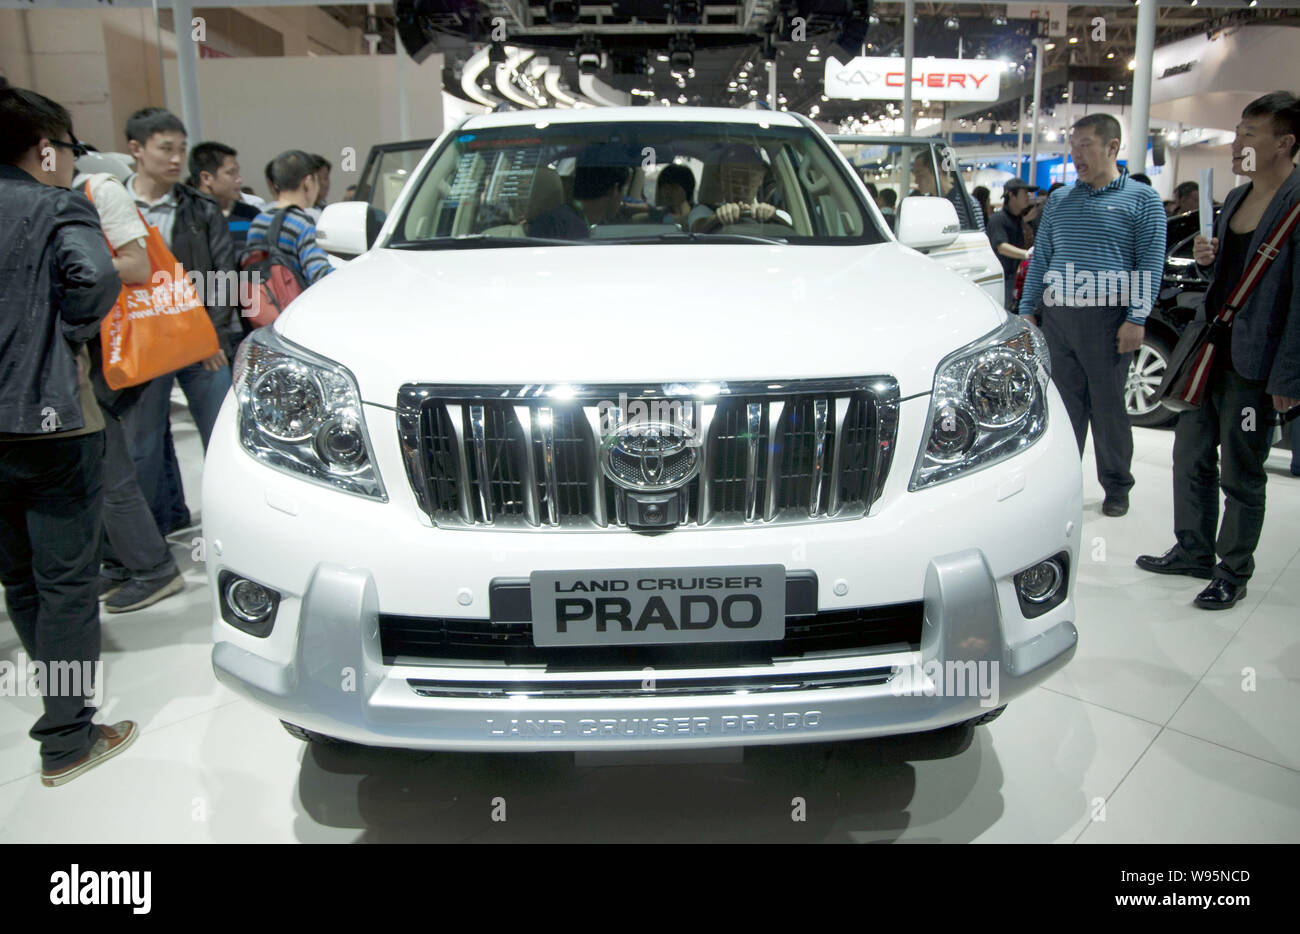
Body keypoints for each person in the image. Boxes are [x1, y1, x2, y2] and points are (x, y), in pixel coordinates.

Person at [0, 87, 138, 785]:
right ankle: (67, 736)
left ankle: (58, 708)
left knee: (19, 577)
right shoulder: (55, 205)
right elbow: (95, 278)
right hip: (50, 419)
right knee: (66, 583)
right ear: (47, 147)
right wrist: (70, 334)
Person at [1137, 91, 1300, 609]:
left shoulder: (1295, 205)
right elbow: (1226, 280)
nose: (1236, 144)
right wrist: (1208, 260)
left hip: (1256, 365)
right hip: (1209, 353)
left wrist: (1287, 379)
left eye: (1248, 135)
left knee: (1242, 471)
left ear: (1285, 143)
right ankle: (1193, 550)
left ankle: (1233, 569)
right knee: (1190, 455)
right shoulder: (1235, 198)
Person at [1018, 113, 1167, 518]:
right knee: (1065, 410)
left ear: (1112, 147)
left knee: (1108, 409)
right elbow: (1042, 259)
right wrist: (1027, 311)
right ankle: (1064, 485)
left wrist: (1136, 318)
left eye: (1085, 144)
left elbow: (1148, 264)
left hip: (1108, 320)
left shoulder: (1141, 199)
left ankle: (1117, 486)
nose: (1076, 154)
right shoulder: (1062, 200)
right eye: (1072, 144)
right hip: (1058, 318)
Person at [73, 166, 186, 614]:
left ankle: (152, 567)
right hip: (94, 347)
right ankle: (122, 561)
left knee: (108, 463)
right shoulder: (71, 192)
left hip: (106, 351)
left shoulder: (94, 189)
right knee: (97, 466)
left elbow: (137, 264)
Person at [121, 107, 238, 534]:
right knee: (144, 445)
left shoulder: (201, 208)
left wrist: (215, 340)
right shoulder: (113, 205)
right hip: (144, 345)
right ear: (136, 149)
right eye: (165, 149)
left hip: (199, 344)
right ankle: (158, 531)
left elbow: (226, 277)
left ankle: (234, 526)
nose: (175, 159)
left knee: (224, 438)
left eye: (181, 150)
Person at [245, 149, 336, 286]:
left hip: (263, 303)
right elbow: (318, 273)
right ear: (308, 182)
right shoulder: (302, 224)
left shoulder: (258, 221)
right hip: (294, 303)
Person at [528, 146, 630, 239]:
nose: (622, 199)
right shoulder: (556, 227)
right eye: (624, 191)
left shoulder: (558, 222)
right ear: (614, 190)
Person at [690, 143, 789, 233]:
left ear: (761, 178)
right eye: (732, 180)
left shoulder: (775, 214)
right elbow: (696, 229)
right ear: (719, 179)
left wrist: (771, 217)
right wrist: (717, 218)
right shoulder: (704, 211)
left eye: (747, 179)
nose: (740, 188)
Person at [189, 141, 260, 255]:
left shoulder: (251, 216)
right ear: (206, 178)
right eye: (231, 173)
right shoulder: (186, 218)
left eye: (238, 172)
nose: (239, 179)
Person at [987, 178, 1038, 312]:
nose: (1028, 197)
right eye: (1025, 193)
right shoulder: (998, 219)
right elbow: (1001, 246)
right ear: (1011, 195)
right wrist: (1027, 254)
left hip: (1015, 279)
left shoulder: (1018, 220)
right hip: (1003, 280)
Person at [911, 148, 984, 231]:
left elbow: (979, 239)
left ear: (937, 171)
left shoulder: (967, 203)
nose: (916, 181)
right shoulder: (927, 203)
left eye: (920, 174)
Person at [654, 162, 696, 227]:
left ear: (687, 189)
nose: (668, 192)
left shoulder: (698, 213)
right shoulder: (657, 214)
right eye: (665, 188)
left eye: (674, 188)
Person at [306, 153, 330, 221]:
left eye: (327, 178)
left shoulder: (325, 208)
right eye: (325, 178)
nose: (326, 184)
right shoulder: (308, 214)